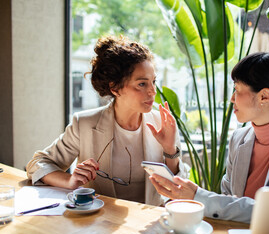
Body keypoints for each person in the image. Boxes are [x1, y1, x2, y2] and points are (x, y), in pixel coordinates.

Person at [149, 52, 269, 223]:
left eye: (237, 90)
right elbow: (228, 201)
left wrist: (198, 196)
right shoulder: (239, 138)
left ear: (264, 96)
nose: (232, 98)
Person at [26, 35, 189, 206]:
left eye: (153, 82)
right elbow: (37, 164)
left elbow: (177, 189)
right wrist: (69, 180)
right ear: (115, 88)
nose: (152, 91)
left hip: (149, 224)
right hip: (98, 223)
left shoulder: (162, 123)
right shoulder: (85, 124)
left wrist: (170, 150)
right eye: (142, 84)